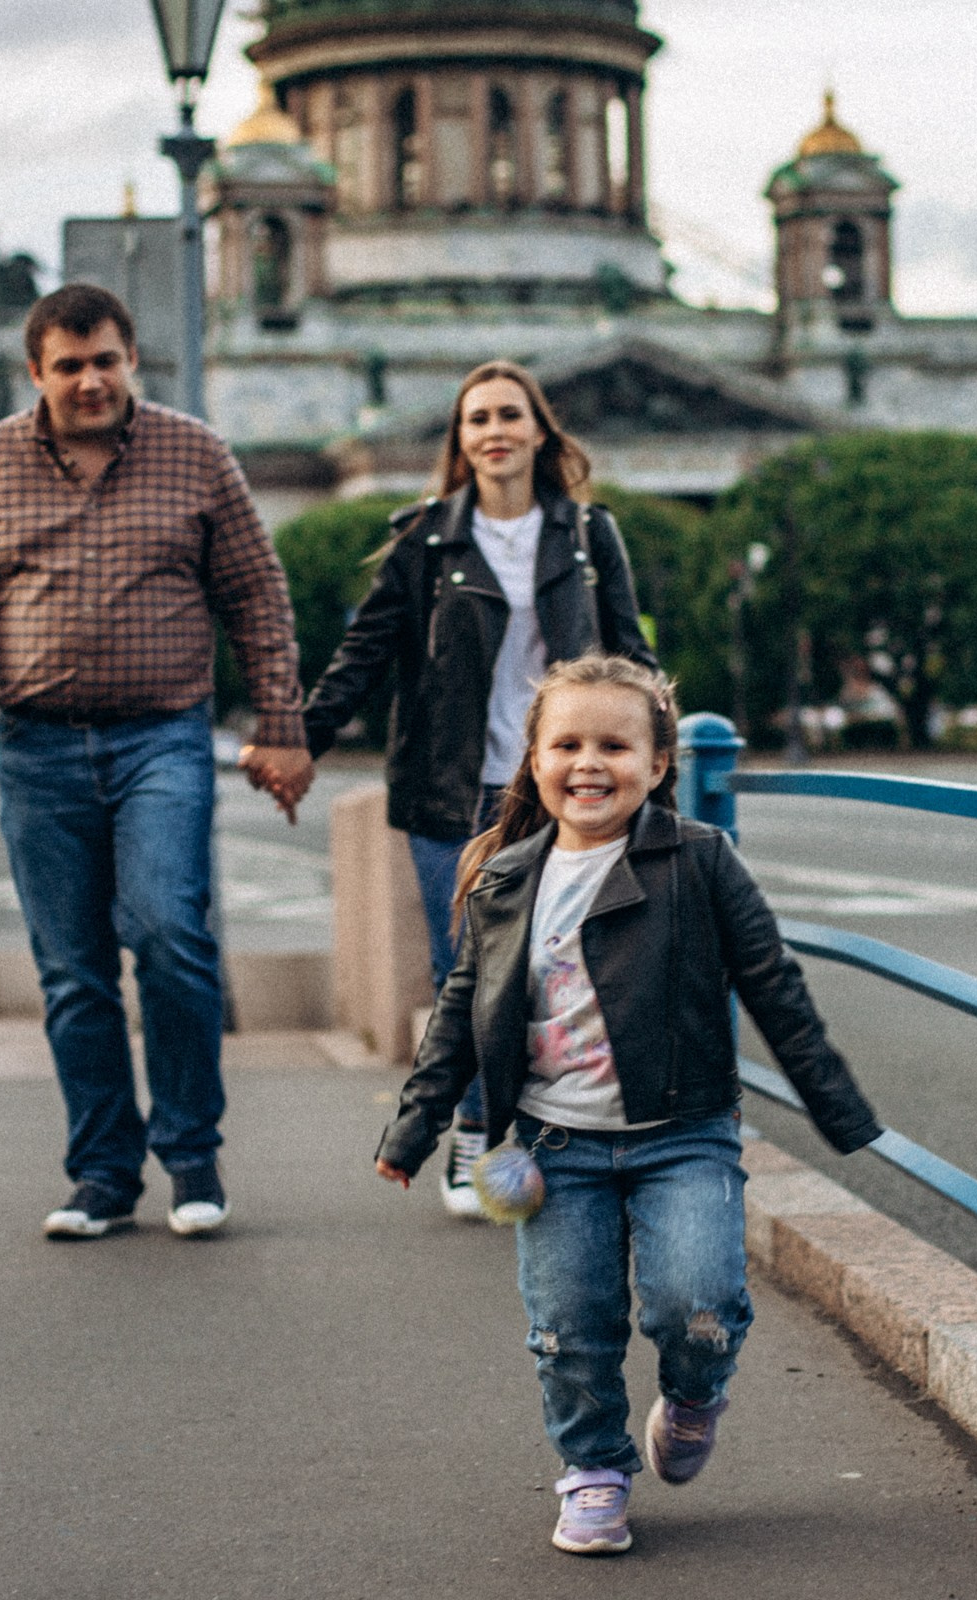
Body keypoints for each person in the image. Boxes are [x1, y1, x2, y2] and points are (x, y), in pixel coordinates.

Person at [372, 655, 882, 1556]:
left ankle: (693, 1396)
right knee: (570, 1326)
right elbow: (462, 1006)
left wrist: (838, 1110)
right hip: (550, 1145)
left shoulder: (699, 861)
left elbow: (774, 987)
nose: (589, 762)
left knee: (699, 1303)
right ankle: (595, 1471)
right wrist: (416, 1128)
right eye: (566, 743)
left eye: (615, 744)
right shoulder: (502, 878)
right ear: (533, 761)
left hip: (681, 1136)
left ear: (657, 766)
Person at [0, 282, 314, 1241]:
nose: (91, 381)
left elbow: (257, 594)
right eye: (70, 366)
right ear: (35, 372)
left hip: (161, 737)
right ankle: (103, 1176)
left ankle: (193, 1162)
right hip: (37, 749)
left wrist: (283, 726)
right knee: (74, 972)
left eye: (107, 361)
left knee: (170, 934)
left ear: (133, 361)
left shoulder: (196, 454)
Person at [303, 361, 655, 1216]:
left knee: (559, 965)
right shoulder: (425, 538)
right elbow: (366, 655)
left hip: (565, 790)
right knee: (466, 967)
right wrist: (296, 739)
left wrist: (661, 743)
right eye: (476, 420)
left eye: (509, 414)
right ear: (461, 442)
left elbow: (627, 650)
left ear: (540, 430)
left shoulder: (586, 534)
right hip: (451, 790)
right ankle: (473, 1136)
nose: (493, 431)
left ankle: (552, 1137)